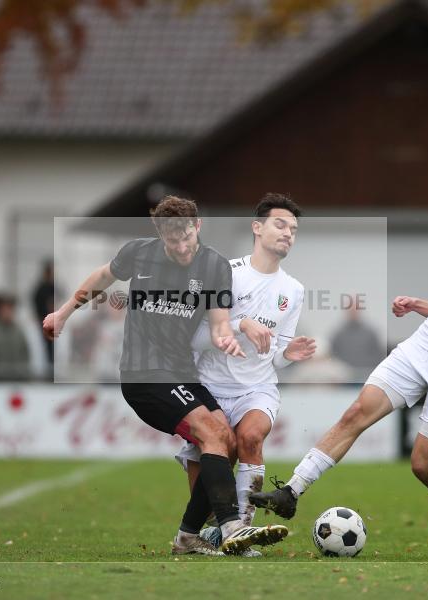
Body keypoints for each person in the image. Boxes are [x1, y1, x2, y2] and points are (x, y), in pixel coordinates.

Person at [251, 134, 428, 561]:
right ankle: (292, 491)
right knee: (356, 412)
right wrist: (419, 305)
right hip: (422, 348)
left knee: (425, 465)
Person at [43, 195, 289, 556]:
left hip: (183, 374)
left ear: (198, 226)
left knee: (229, 441)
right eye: (173, 240)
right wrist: (64, 312)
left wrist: (228, 340)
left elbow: (219, 322)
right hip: (144, 375)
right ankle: (232, 526)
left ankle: (189, 536)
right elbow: (102, 276)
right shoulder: (139, 253)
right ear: (160, 235)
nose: (182, 246)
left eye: (187, 236)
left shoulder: (215, 266)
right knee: (213, 433)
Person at [175, 194, 316, 556]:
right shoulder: (226, 272)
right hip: (209, 387)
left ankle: (244, 533)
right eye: (280, 225)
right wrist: (240, 325)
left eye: (294, 229)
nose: (288, 234)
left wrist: (290, 354)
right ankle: (207, 534)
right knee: (207, 484)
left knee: (250, 437)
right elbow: (195, 338)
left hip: (257, 387)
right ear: (257, 228)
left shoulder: (294, 290)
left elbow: (276, 359)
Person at [330, 298, 385, 379]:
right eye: (351, 310)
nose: (353, 313)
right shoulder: (338, 335)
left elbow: (379, 356)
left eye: (355, 310)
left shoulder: (370, 333)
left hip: (366, 377)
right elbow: (333, 357)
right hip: (344, 379)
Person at [0, 294, 30, 381]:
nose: (7, 312)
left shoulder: (19, 331)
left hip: (17, 380)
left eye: (10, 309)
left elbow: (25, 354)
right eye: (5, 309)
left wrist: (23, 375)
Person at [32, 260, 56, 363]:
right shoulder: (43, 288)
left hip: (48, 320)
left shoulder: (47, 287)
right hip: (45, 321)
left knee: (49, 345)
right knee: (47, 345)